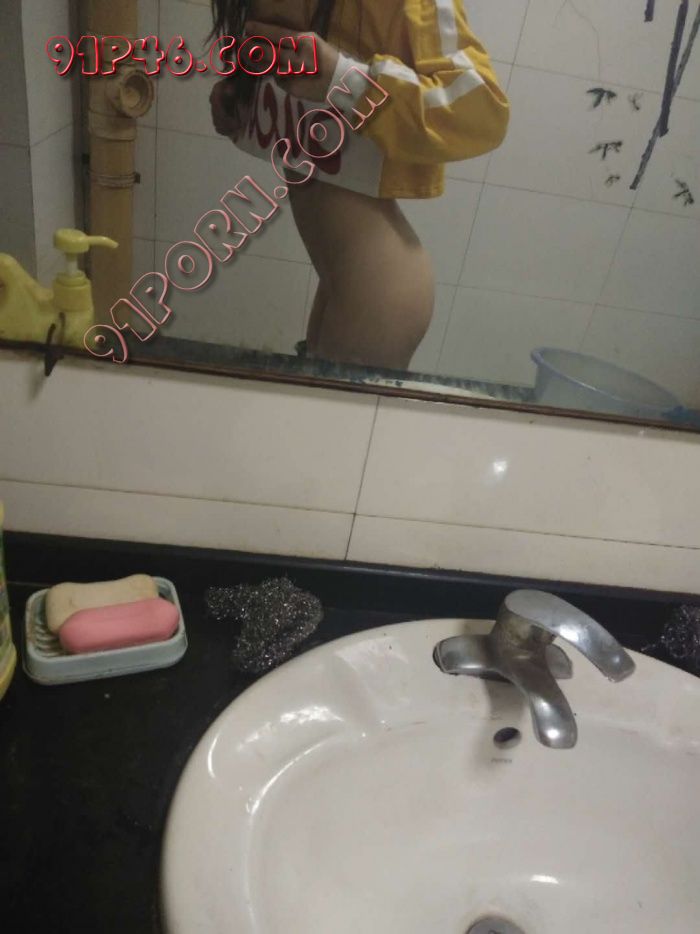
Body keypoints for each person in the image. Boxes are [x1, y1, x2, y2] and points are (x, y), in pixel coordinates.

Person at [210, 1, 509, 369]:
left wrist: (347, 81)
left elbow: (481, 107)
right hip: (346, 278)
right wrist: (245, 94)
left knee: (320, 404)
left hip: (380, 288)